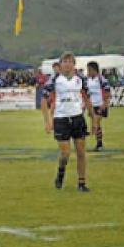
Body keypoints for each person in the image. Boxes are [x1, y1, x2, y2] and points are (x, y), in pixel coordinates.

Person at [41, 53, 94, 192]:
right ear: (60, 64)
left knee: (81, 152)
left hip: (77, 118)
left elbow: (87, 98)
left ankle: (81, 183)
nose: (67, 64)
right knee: (65, 153)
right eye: (65, 61)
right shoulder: (54, 80)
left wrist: (93, 118)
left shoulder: (80, 78)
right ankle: (60, 173)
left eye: (70, 61)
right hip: (61, 118)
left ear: (74, 64)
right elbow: (43, 100)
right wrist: (48, 121)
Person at [84, 60, 111, 151]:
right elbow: (86, 93)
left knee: (96, 123)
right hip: (92, 105)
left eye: (89, 70)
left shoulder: (102, 79)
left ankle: (99, 144)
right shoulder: (87, 80)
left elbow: (107, 92)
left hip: (100, 104)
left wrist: (104, 104)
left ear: (94, 70)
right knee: (96, 125)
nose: (88, 72)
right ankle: (99, 143)